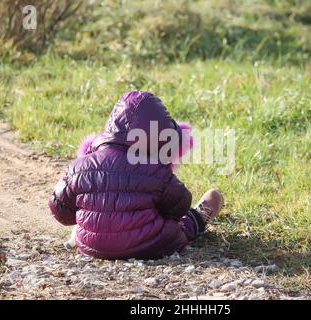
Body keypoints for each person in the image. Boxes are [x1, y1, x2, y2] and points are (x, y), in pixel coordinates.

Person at [48, 91, 224, 259]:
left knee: (88, 216)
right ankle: (201, 215)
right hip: (149, 245)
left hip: (92, 244)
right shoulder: (155, 170)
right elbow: (179, 206)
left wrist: (91, 212)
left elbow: (59, 209)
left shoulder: (80, 167)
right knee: (182, 226)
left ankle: (78, 235)